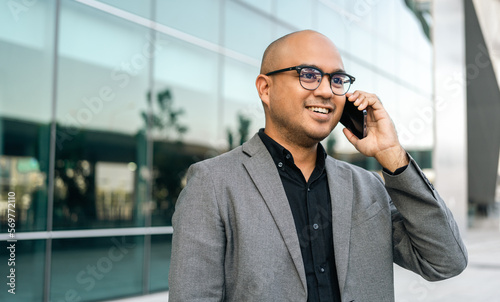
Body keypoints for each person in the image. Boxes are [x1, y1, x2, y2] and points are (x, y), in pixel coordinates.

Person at [168, 30, 467, 301]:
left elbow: (445, 260)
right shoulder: (213, 183)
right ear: (265, 89)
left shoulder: (368, 186)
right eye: (308, 75)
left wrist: (392, 155)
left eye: (336, 80)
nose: (326, 91)